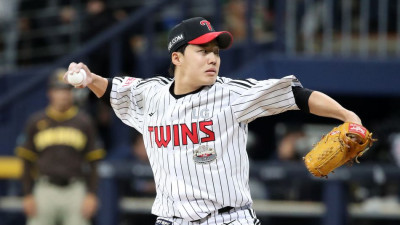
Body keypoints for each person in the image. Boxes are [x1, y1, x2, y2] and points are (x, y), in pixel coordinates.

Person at [64, 17, 362, 224]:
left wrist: (347, 115)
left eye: (216, 52)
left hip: (230, 219)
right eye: (202, 51)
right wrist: (90, 79)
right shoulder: (150, 93)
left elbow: (297, 96)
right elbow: (113, 89)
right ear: (177, 58)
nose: (213, 58)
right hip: (171, 220)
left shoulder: (232, 94)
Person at [15, 68, 106, 225]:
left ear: (73, 93)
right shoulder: (36, 121)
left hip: (75, 189)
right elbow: (26, 161)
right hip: (45, 189)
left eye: (67, 90)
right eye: (58, 90)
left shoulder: (84, 122)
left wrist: (92, 194)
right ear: (50, 93)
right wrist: (28, 194)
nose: (63, 95)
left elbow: (94, 162)